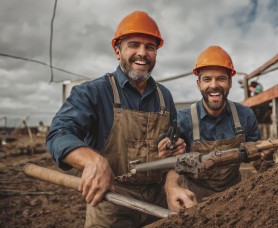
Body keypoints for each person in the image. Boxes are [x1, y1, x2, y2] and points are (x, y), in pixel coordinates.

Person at [46, 11, 185, 227]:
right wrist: (92, 160)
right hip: (111, 202)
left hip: (158, 203)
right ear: (117, 50)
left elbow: (173, 153)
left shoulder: (164, 96)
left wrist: (172, 183)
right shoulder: (92, 92)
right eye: (134, 45)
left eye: (150, 47)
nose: (142, 53)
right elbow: (59, 134)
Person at [164, 46, 262, 212]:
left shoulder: (245, 116)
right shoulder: (184, 119)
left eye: (221, 79)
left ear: (230, 82)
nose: (214, 85)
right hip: (194, 204)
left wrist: (267, 161)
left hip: (235, 202)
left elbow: (257, 157)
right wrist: (171, 186)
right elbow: (173, 164)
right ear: (198, 84)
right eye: (207, 79)